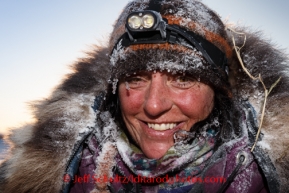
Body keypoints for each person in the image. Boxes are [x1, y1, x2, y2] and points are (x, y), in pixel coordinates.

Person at [0, 0, 288, 192]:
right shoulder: (66, 173)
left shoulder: (266, 176)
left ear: (219, 91)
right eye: (135, 79)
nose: (153, 105)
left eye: (184, 79)